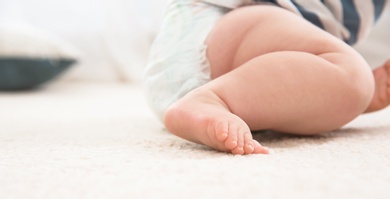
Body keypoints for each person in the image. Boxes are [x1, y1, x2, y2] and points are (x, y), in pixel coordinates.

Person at [144, 0, 390, 155]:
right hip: (227, 18)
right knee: (352, 75)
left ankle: (214, 102)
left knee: (349, 81)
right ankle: (212, 99)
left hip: (197, 43)